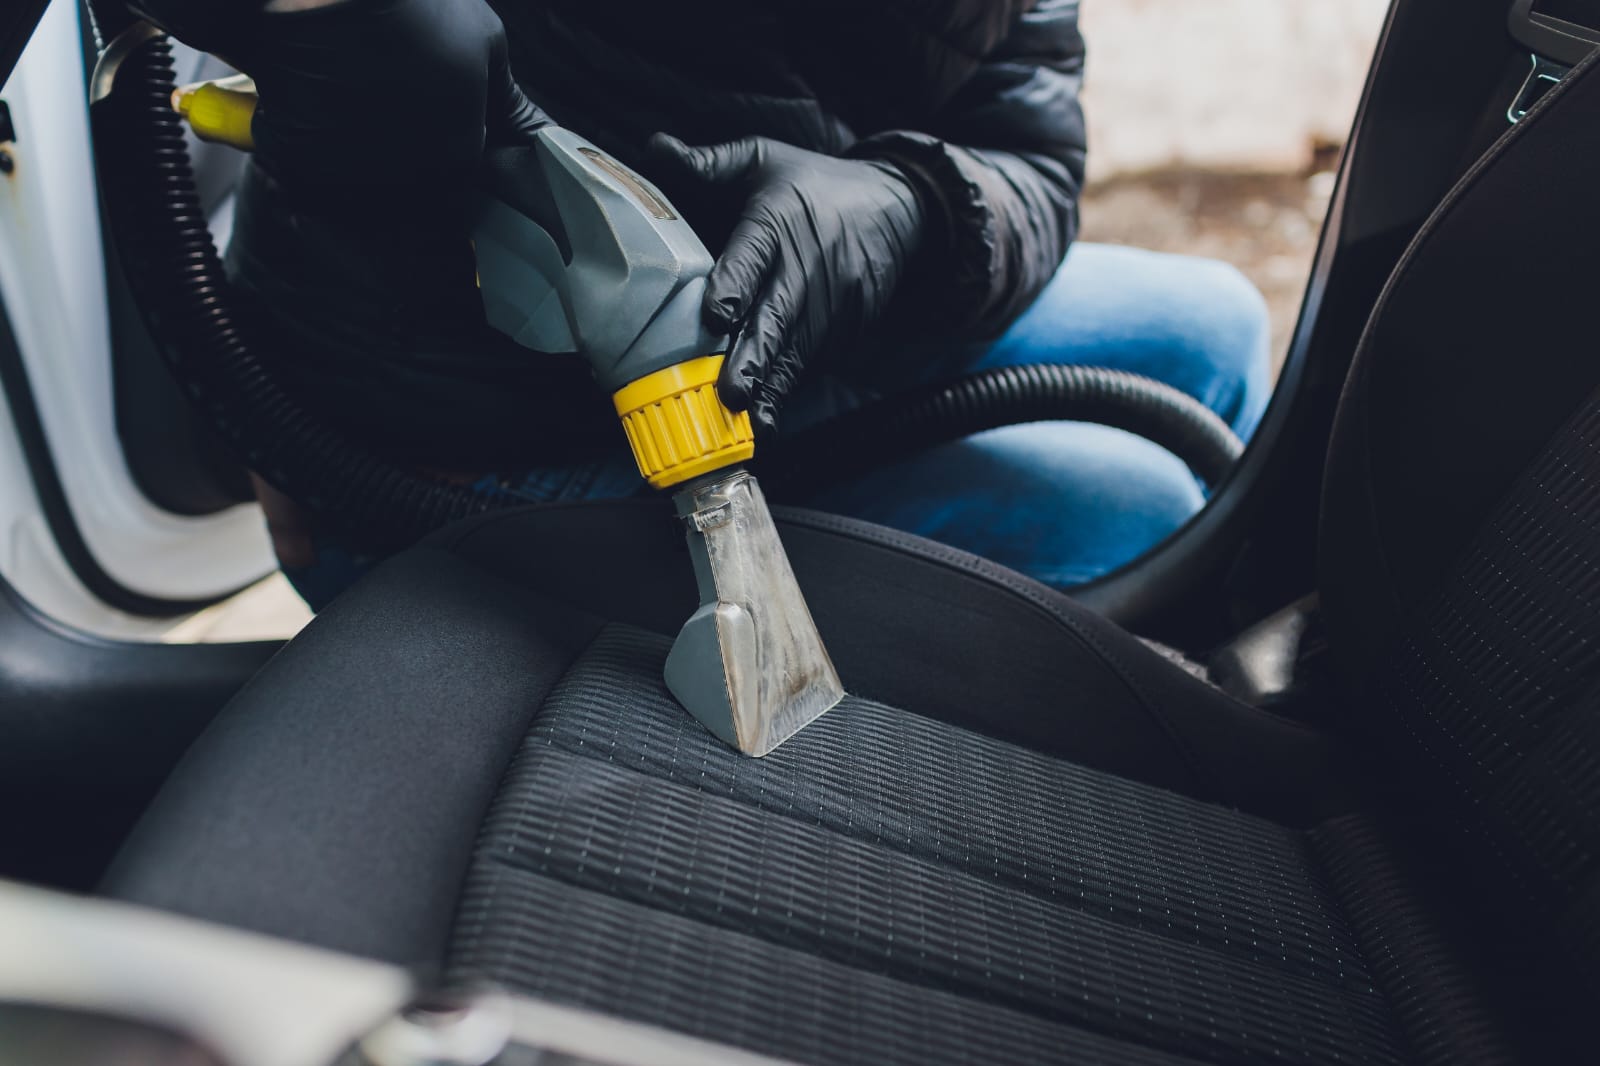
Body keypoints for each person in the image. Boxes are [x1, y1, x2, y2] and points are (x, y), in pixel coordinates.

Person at [134, 0, 1270, 608]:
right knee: (1137, 515)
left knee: (1214, 327)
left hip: (768, 347)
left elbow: (1033, 149)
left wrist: (912, 207)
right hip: (455, 448)